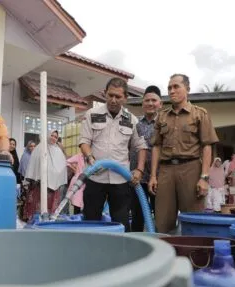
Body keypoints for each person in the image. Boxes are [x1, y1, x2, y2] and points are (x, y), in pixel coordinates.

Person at [148, 74, 219, 233]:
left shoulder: (200, 114)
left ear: (187, 89)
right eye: (169, 88)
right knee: (162, 221)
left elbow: (207, 146)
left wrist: (204, 177)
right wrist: (153, 175)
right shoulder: (162, 116)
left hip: (191, 169)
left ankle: (193, 256)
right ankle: (167, 255)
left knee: (193, 219)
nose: (172, 91)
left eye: (176, 87)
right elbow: (156, 147)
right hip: (166, 171)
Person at [79, 77, 148, 232]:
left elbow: (141, 146)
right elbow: (84, 141)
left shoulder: (132, 120)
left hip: (120, 180)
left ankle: (121, 253)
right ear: (105, 94)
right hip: (95, 177)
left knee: (122, 223)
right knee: (91, 221)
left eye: (118, 96)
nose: (113, 100)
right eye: (110, 95)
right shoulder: (92, 114)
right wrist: (90, 158)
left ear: (125, 98)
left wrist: (139, 170)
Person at [129, 85, 163, 231]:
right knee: (137, 215)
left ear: (160, 104)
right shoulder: (134, 124)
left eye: (154, 100)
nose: (150, 103)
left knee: (160, 216)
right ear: (142, 104)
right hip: (137, 177)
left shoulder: (165, 123)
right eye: (147, 100)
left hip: (159, 178)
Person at [24, 130, 67, 218]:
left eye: (56, 137)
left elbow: (62, 167)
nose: (54, 138)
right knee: (38, 208)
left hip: (54, 187)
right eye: (52, 135)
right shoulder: (40, 148)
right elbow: (34, 165)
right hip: (40, 184)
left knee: (51, 209)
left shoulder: (58, 151)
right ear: (47, 135)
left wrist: (55, 174)